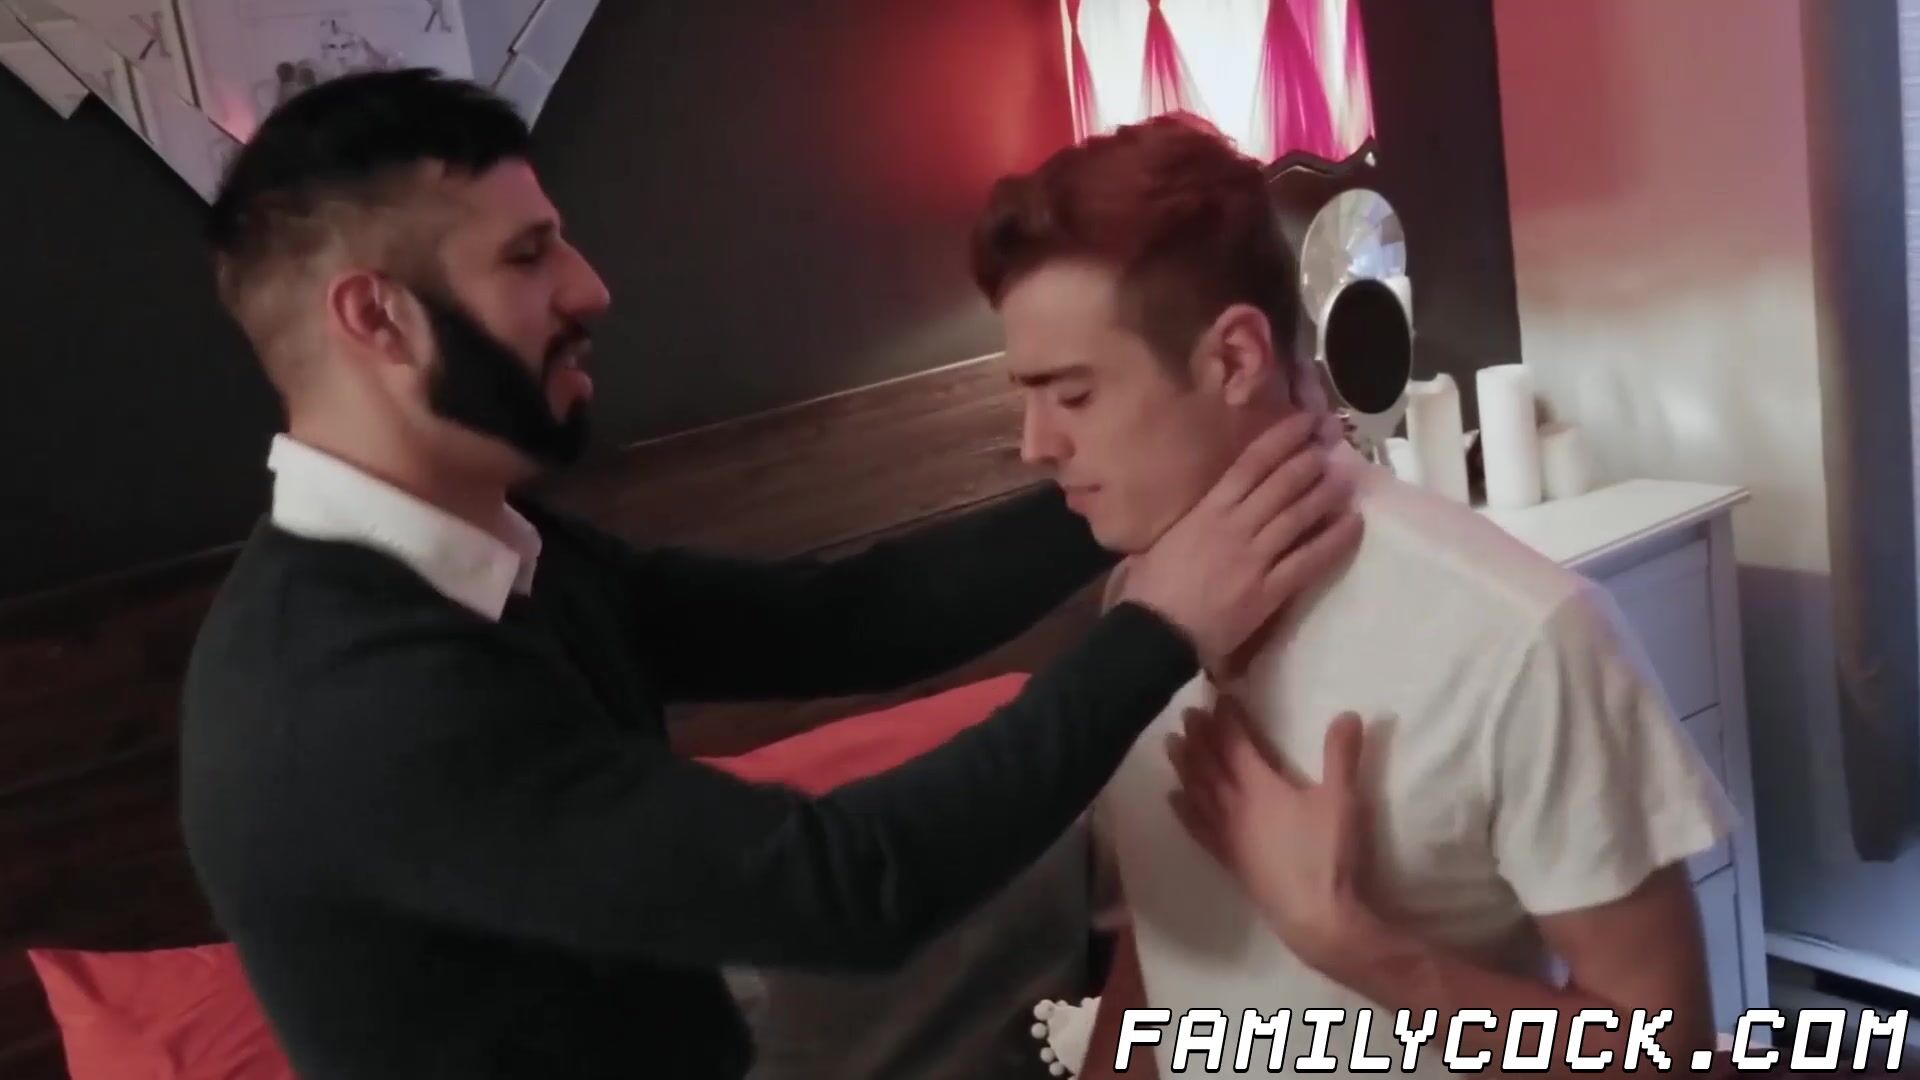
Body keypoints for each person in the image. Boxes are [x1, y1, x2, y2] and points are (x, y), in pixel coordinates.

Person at [177, 71, 1362, 1080]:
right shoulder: (349, 703)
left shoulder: (481, 542)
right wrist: (1159, 627)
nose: (590, 288)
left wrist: (1127, 491)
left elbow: (844, 619)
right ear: (376, 317)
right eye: (529, 256)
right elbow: (847, 887)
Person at [969, 113, 1736, 1077]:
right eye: (1026, 396)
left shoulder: (1522, 638)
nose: (1036, 444)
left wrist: (1354, 945)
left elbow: (1667, 1053)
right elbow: (1154, 958)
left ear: (1235, 358)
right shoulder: (1139, 611)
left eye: (1074, 395)